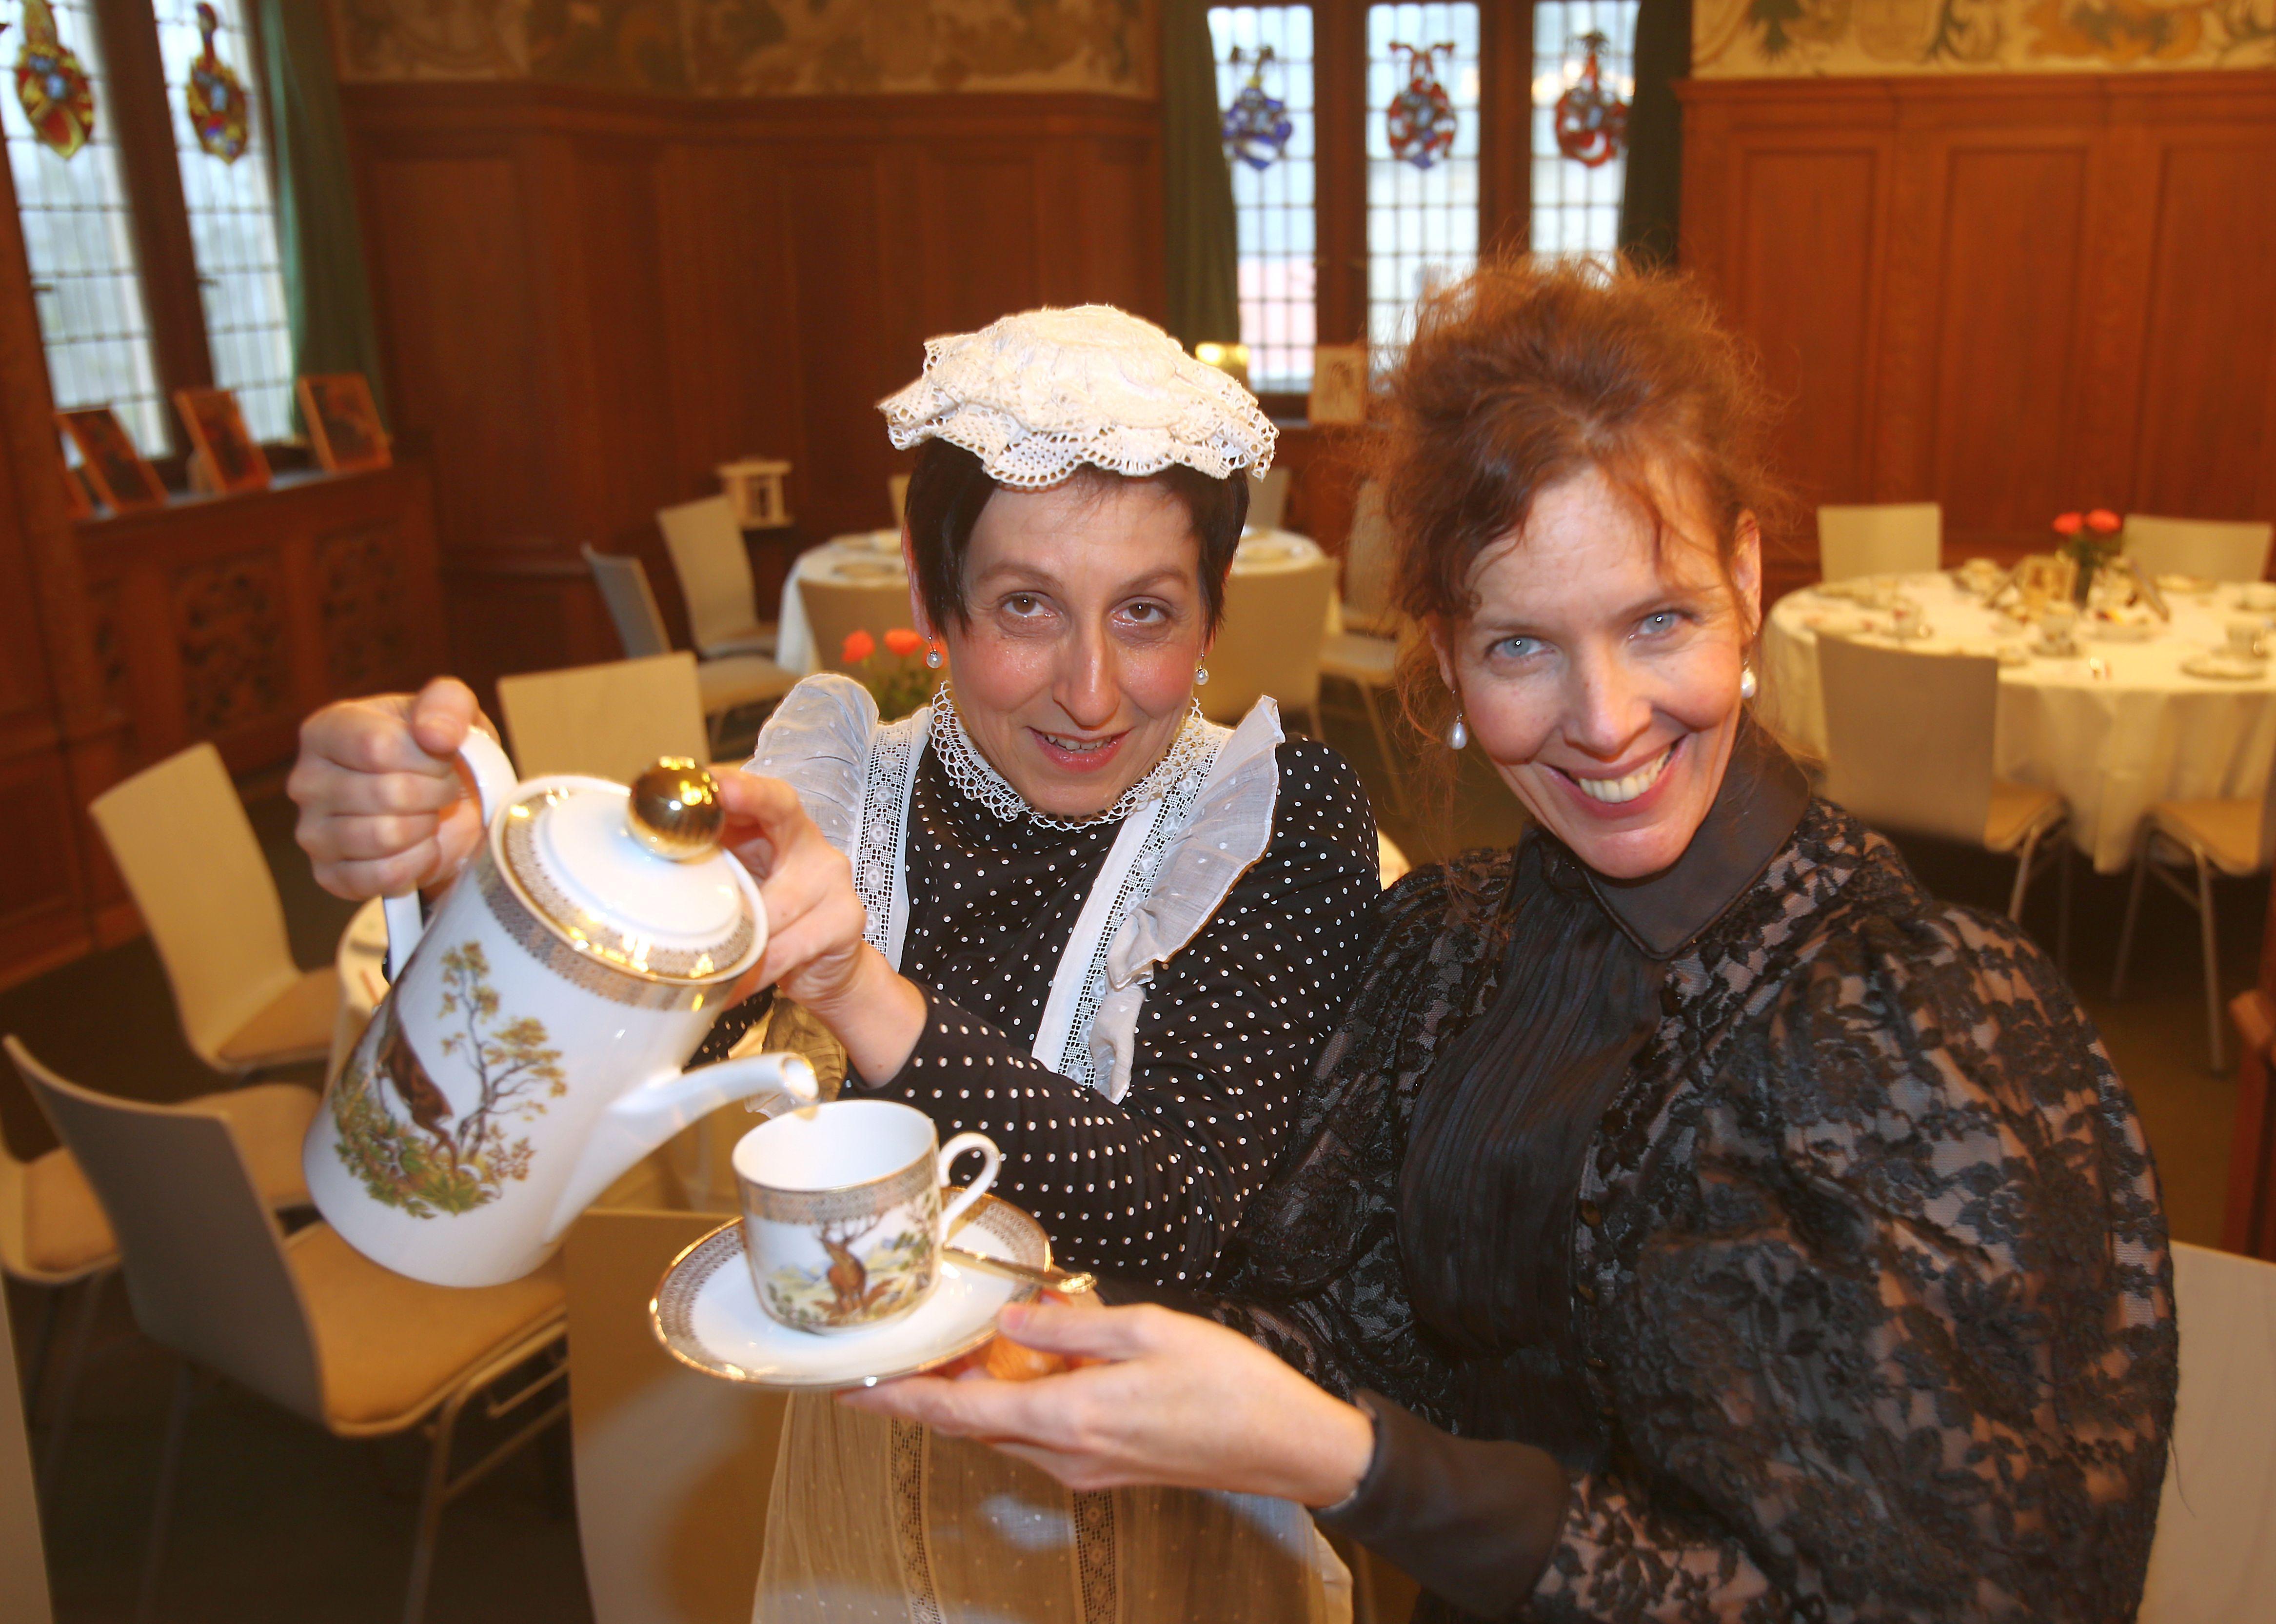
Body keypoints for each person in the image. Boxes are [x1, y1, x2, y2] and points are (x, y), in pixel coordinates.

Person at [844, 261, 2179, 1623]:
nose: (1602, 720)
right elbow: (1330, 1315)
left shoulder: (1917, 1029)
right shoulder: (1449, 952)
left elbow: (1960, 1593)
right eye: (1522, 647)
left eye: (1657, 620)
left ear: (1747, 577)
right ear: (1447, 656)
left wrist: (1350, 1462)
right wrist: (1018, 1340)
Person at [288, 305, 1380, 1622]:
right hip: (864, 1523)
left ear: (1211, 614)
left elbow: (1183, 1222)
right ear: (931, 601)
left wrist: (858, 985)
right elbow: (550, 1111)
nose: (1090, 689)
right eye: (1024, 605)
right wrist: (478, 889)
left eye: (1145, 613)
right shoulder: (833, 789)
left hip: (1178, 1524)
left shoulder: (1276, 815)